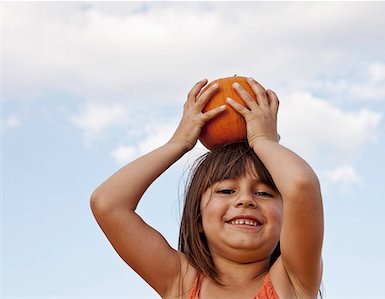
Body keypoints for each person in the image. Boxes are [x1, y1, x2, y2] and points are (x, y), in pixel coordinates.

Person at [90, 77, 324, 298]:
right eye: (226, 190)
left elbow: (300, 185)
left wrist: (264, 141)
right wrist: (178, 143)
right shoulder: (181, 282)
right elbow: (107, 203)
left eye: (263, 193)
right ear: (198, 218)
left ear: (289, 221)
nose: (246, 200)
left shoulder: (292, 280)